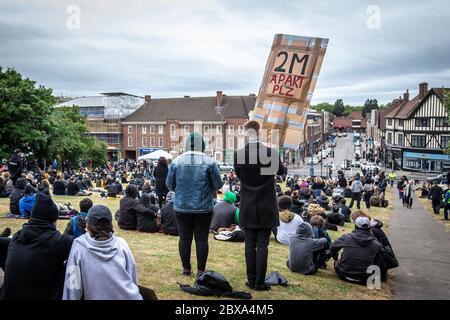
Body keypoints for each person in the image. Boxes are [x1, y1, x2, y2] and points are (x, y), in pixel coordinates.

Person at [233, 120, 284, 291]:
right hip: (266, 203)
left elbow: (240, 175)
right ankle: (259, 282)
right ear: (259, 131)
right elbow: (282, 171)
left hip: (248, 202)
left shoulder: (239, 154)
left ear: (247, 133)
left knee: (249, 243)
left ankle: (251, 279)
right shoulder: (270, 152)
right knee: (262, 244)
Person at [166, 132, 223, 276]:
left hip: (182, 206)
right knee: (202, 239)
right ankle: (201, 270)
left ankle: (186, 268)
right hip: (203, 207)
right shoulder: (210, 162)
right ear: (202, 145)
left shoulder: (176, 162)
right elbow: (218, 184)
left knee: (184, 238)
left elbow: (170, 185)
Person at [0, 193, 73, 300]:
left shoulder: (17, 237)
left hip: (8, 296)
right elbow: (85, 247)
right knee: (72, 263)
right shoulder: (58, 241)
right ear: (53, 220)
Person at [62, 205, 142, 300]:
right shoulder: (122, 243)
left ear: (88, 224)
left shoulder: (78, 246)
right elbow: (132, 278)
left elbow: (72, 287)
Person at [330, 216, 385, 285]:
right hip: (365, 279)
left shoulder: (347, 237)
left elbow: (332, 247)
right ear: (369, 227)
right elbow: (382, 253)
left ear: (355, 226)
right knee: (380, 254)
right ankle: (378, 275)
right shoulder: (376, 244)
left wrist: (336, 259)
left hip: (343, 274)